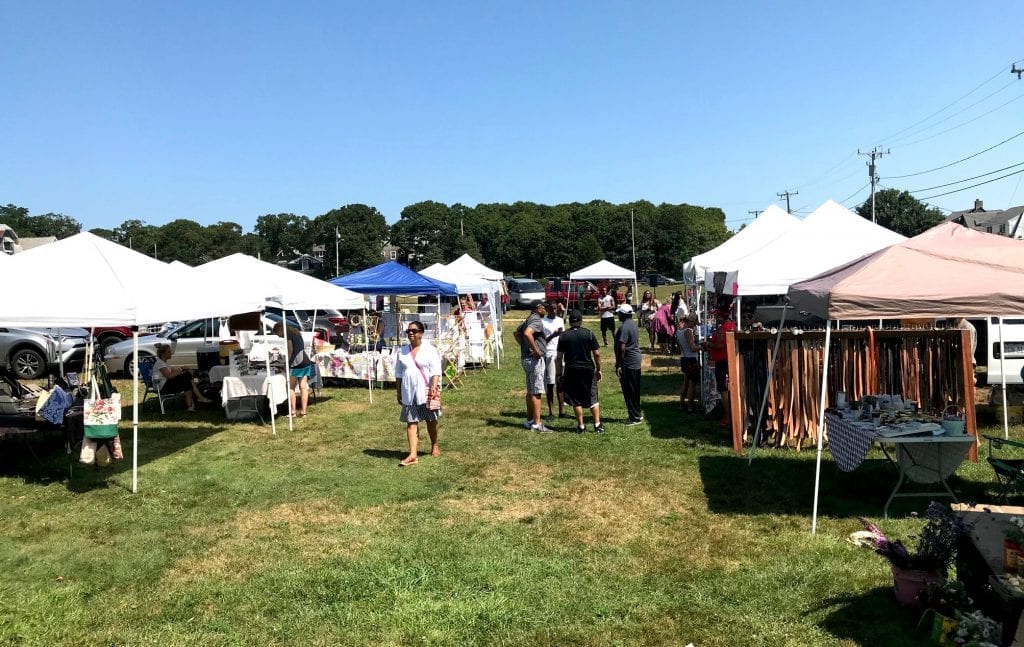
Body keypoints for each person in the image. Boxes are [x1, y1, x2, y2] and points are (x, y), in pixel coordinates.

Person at [393, 320, 442, 467]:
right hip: (409, 392)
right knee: (411, 422)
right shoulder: (402, 351)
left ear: (421, 333)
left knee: (431, 421)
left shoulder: (430, 350)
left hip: (425, 391)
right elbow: (398, 374)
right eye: (408, 331)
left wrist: (434, 386)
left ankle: (434, 444)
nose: (411, 333)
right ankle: (413, 454)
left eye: (414, 331)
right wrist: (399, 392)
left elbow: (435, 371)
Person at [557, 310, 606, 433]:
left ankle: (581, 426)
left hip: (571, 369)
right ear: (581, 320)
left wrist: (559, 373)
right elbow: (597, 353)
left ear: (569, 321)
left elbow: (559, 357)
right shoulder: (588, 334)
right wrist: (599, 369)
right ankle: (597, 424)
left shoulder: (564, 336)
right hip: (588, 369)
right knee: (592, 396)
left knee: (575, 398)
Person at [513, 300, 550, 432]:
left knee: (530, 391)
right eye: (543, 307)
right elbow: (527, 333)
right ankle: (537, 424)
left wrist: (524, 347)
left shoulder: (528, 319)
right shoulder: (536, 321)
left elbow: (516, 333)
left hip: (526, 359)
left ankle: (529, 421)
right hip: (534, 360)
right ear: (538, 308)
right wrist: (534, 350)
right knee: (537, 392)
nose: (545, 309)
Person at [151, 344, 212, 411]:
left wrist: (186, 370)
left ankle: (192, 405)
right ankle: (197, 400)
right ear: (163, 354)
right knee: (187, 378)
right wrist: (181, 369)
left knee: (187, 379)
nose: (171, 353)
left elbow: (176, 372)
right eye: (168, 352)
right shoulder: (160, 363)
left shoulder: (164, 363)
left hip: (167, 384)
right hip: (162, 387)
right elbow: (169, 376)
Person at [273, 322, 313, 418]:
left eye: (277, 334)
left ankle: (293, 412)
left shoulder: (288, 334)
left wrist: (287, 363)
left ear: (280, 329)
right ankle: (303, 412)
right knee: (303, 387)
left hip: (296, 363)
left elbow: (290, 350)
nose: (279, 336)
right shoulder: (296, 332)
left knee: (290, 388)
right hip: (305, 360)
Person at [705, 308, 737, 428]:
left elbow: (719, 345)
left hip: (722, 361)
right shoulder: (733, 326)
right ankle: (732, 415)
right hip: (731, 360)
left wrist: (709, 344)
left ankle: (727, 416)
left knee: (723, 389)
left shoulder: (722, 328)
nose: (716, 319)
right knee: (731, 387)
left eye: (717, 317)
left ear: (721, 317)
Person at [614, 304, 644, 425]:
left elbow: (622, 347)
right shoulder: (633, 324)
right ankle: (637, 413)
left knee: (629, 390)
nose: (618, 315)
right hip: (635, 360)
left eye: (619, 313)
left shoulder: (624, 327)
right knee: (635, 389)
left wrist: (619, 364)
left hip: (628, 362)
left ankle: (634, 417)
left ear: (623, 314)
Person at [541, 301, 566, 419]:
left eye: (555, 309)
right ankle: (551, 412)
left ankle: (562, 411)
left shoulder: (560, 320)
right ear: (547, 310)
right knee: (550, 383)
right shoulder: (543, 322)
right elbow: (542, 342)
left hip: (560, 353)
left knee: (560, 382)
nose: (554, 311)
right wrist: (553, 335)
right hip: (549, 353)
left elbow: (563, 337)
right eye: (551, 309)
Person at [676, 314, 701, 412]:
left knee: (685, 383)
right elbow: (692, 348)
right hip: (691, 360)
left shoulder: (679, 331)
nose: (694, 326)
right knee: (692, 385)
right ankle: (690, 406)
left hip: (684, 358)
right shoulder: (688, 331)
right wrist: (702, 347)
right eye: (694, 323)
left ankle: (682, 404)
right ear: (690, 322)